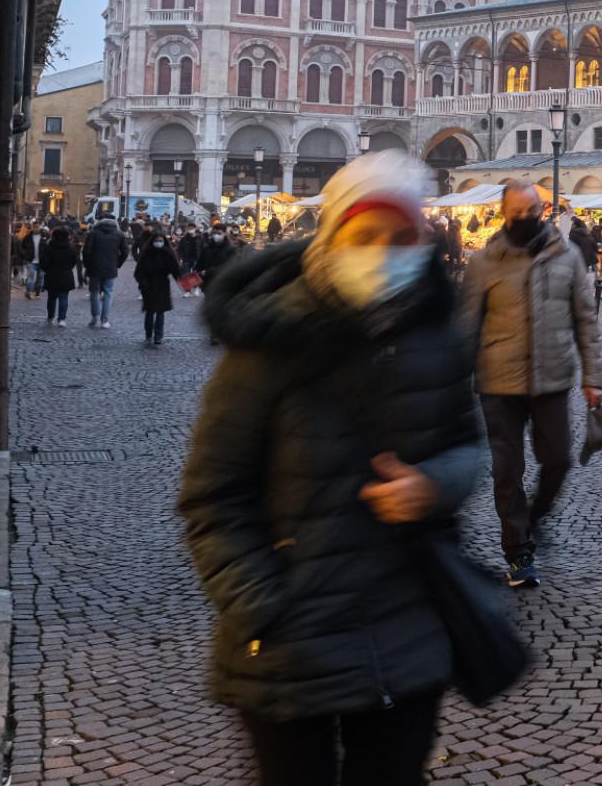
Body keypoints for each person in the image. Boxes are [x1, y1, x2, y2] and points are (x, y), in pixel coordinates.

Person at [178, 152, 485, 785]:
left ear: (425, 240)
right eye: (364, 235)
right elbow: (212, 497)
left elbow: (467, 445)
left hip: (406, 627)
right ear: (332, 236)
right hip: (290, 643)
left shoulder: (437, 336)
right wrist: (262, 605)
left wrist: (433, 486)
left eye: (401, 237)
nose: (383, 252)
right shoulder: (266, 343)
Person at [460, 179, 602, 588]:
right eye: (516, 213)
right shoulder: (484, 262)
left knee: (558, 458)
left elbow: (586, 320)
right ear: (503, 214)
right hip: (498, 381)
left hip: (552, 377)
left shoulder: (568, 255)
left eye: (531, 211)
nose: (524, 218)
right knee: (508, 470)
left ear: (543, 210)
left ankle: (536, 515)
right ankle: (519, 552)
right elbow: (466, 326)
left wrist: (594, 377)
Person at [134, 225, 183, 345]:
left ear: (164, 242)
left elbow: (175, 270)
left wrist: (183, 281)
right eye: (156, 241)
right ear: (152, 241)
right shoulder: (146, 254)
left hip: (162, 286)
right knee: (150, 312)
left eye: (161, 241)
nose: (158, 243)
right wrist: (142, 283)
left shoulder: (168, 254)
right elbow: (138, 272)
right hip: (148, 285)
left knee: (160, 312)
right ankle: (148, 335)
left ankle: (158, 336)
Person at [81, 214, 128, 328]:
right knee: (108, 293)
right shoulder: (119, 234)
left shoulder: (93, 233)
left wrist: (87, 265)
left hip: (94, 267)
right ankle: (104, 320)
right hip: (111, 267)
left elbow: (86, 251)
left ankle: (95, 316)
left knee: (94, 292)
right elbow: (125, 252)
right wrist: (118, 264)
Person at [38, 225, 78, 327]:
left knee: (51, 298)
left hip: (52, 275)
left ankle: (50, 317)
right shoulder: (71, 248)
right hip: (66, 275)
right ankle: (62, 319)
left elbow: (43, 262)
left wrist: (48, 270)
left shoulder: (49, 247)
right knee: (63, 298)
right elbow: (74, 261)